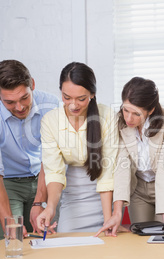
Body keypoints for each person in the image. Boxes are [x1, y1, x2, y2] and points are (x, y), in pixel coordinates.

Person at [0, 60, 59, 240]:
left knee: (44, 242)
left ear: (32, 84)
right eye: (10, 102)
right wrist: (8, 222)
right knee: (12, 241)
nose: (19, 107)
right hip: (7, 184)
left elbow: (50, 157)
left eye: (24, 98)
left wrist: (40, 201)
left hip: (43, 177)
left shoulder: (51, 105)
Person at [95, 77, 164, 236]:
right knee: (140, 241)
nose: (129, 118)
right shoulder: (121, 122)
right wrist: (116, 213)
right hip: (139, 189)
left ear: (150, 110)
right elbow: (121, 167)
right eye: (125, 110)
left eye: (136, 114)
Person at [36, 62, 118, 234]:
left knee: (107, 245)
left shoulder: (108, 116)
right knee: (67, 243)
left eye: (81, 99)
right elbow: (54, 171)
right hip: (72, 192)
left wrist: (107, 219)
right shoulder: (50, 121)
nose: (73, 105)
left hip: (105, 191)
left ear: (93, 94)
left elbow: (107, 172)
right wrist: (50, 207)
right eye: (66, 97)